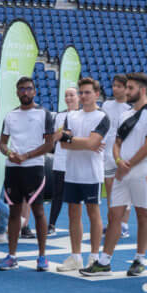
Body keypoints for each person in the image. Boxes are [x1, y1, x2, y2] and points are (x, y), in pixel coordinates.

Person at [100, 73, 147, 275]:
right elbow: (116, 142)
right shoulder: (125, 114)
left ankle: (139, 259)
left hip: (142, 170)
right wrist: (118, 162)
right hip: (122, 170)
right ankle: (104, 261)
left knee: (143, 214)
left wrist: (128, 164)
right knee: (114, 214)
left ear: (141, 90)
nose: (126, 91)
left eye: (130, 88)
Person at [0, 76, 55, 271]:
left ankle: (42, 257)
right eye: (21, 89)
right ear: (17, 92)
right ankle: (11, 256)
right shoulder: (10, 116)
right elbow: (2, 144)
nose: (25, 92)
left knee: (38, 211)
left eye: (28, 89)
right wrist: (10, 153)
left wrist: (27, 155)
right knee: (14, 212)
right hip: (13, 168)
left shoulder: (44, 114)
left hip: (34, 168)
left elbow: (50, 143)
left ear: (34, 91)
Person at [56, 77, 109, 271]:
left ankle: (94, 256)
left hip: (92, 174)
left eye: (87, 92)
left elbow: (90, 143)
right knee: (73, 214)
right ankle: (76, 256)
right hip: (72, 172)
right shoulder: (72, 116)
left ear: (96, 94)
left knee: (93, 213)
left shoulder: (102, 117)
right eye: (82, 92)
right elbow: (63, 143)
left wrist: (74, 141)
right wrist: (84, 142)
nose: (84, 96)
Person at [46, 86, 77, 237]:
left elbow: (70, 136)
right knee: (57, 194)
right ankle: (51, 224)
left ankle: (75, 225)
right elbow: (53, 137)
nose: (69, 98)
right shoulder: (59, 115)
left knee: (75, 197)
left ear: (78, 97)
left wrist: (62, 134)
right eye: (66, 95)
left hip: (76, 160)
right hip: (59, 159)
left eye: (71, 95)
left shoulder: (81, 115)